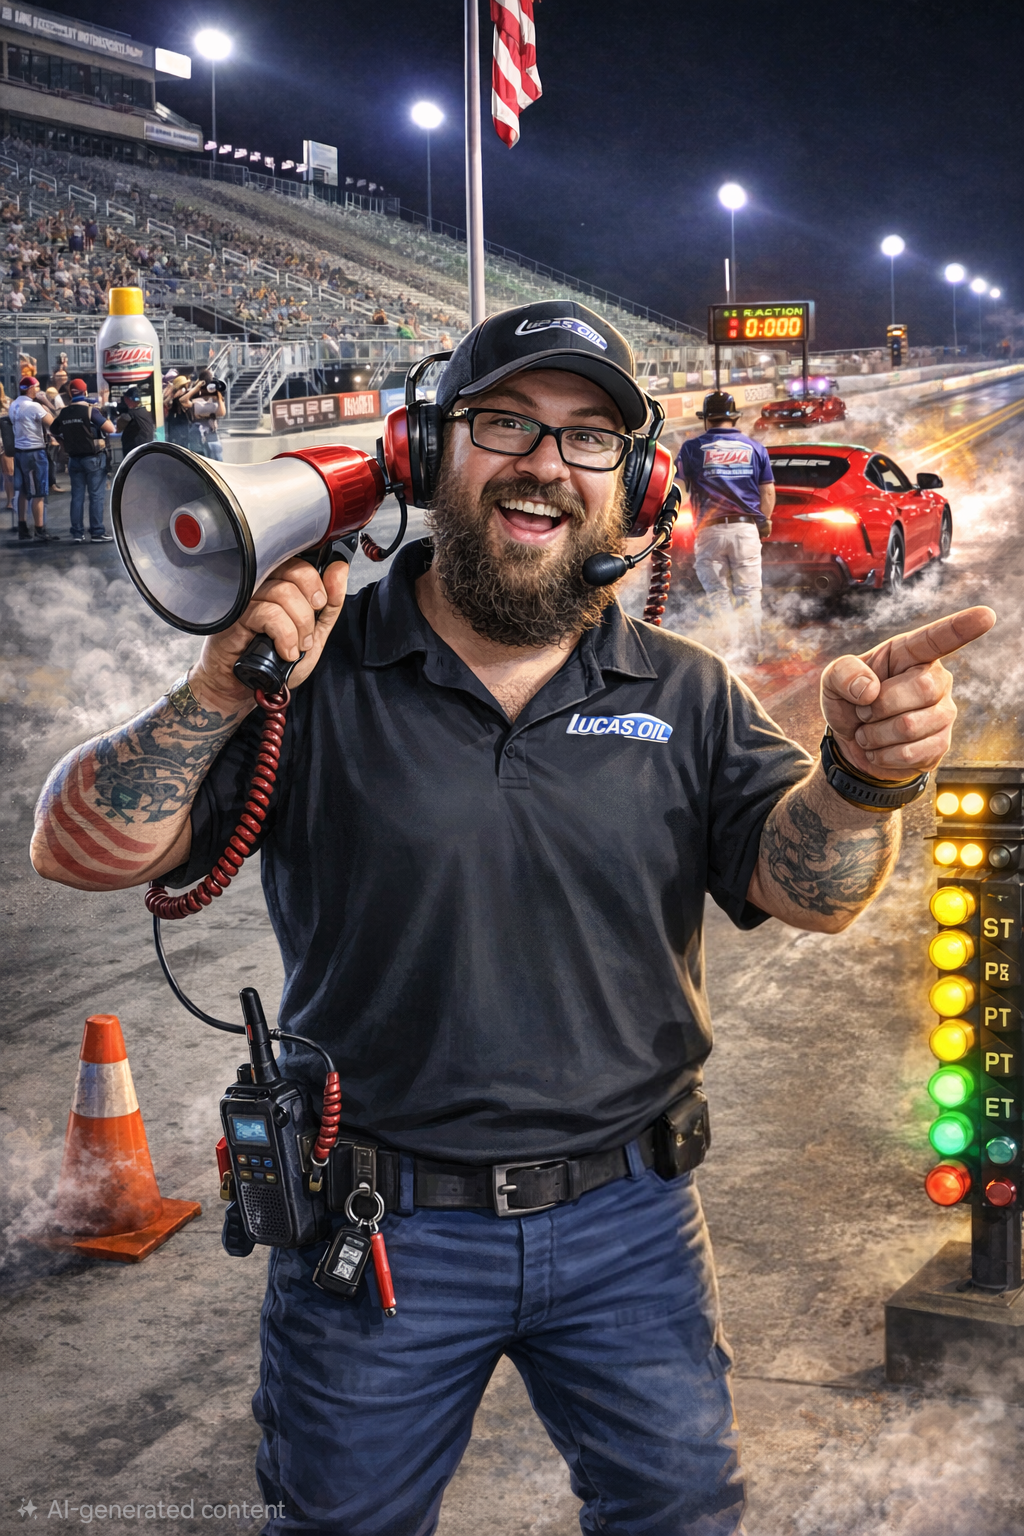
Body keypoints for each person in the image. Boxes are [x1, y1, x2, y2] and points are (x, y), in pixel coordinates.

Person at [30, 300, 995, 1536]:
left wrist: (861, 778)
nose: (546, 462)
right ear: (433, 454)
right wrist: (218, 688)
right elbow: (76, 849)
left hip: (630, 1225)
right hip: (377, 1231)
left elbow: (809, 894)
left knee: (681, 1515)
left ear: (633, 484)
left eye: (589, 437)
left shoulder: (684, 690)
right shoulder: (316, 671)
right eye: (506, 424)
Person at [675, 392, 775, 661]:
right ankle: (753, 652)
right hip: (746, 529)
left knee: (719, 596)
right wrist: (763, 522)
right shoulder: (756, 448)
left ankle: (730, 653)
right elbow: (767, 494)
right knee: (750, 594)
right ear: (734, 418)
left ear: (707, 419)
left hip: (709, 531)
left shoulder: (692, 448)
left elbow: (676, 488)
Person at [50, 378, 115, 543]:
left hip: (74, 459)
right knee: (96, 496)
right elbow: (110, 429)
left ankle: (77, 533)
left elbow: (53, 430)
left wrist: (64, 443)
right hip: (93, 458)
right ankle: (97, 532)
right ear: (85, 392)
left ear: (70, 393)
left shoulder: (63, 413)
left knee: (77, 496)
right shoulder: (90, 411)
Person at [9, 375, 57, 541]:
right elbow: (53, 423)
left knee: (22, 490)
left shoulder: (13, 405)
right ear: (30, 389)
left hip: (19, 451)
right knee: (38, 492)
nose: (38, 390)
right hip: (35, 452)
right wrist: (47, 403)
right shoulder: (34, 406)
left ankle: (23, 527)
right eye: (36, 387)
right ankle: (39, 529)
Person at [190, 372, 227, 460]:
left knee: (217, 459)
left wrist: (218, 394)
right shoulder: (196, 397)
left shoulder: (214, 399)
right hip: (198, 436)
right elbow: (195, 413)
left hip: (212, 435)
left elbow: (222, 413)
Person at [115, 385, 155, 455]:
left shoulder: (131, 414)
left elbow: (118, 428)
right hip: (147, 450)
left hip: (135, 453)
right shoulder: (145, 412)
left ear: (127, 399)